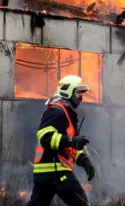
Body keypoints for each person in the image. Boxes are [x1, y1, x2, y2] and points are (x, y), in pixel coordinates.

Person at [26, 75, 97, 206]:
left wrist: (84, 161)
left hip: (46, 173)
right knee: (80, 203)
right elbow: (46, 137)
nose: (81, 97)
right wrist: (72, 140)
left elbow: (66, 147)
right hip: (56, 171)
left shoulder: (65, 112)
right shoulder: (56, 112)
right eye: (78, 93)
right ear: (67, 91)